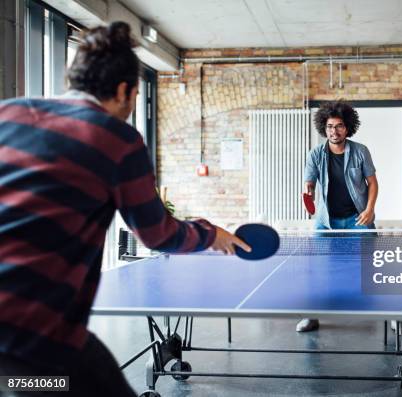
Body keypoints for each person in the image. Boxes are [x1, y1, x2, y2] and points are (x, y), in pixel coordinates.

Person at [0, 22, 249, 396]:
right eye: (134, 98)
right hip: (32, 334)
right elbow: (158, 234)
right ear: (124, 91)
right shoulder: (115, 137)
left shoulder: (9, 113)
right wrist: (213, 234)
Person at [298, 101, 379, 332]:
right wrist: (308, 191)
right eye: (330, 126)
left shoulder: (360, 151)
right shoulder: (315, 154)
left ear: (348, 128)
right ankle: (311, 315)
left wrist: (370, 209)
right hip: (326, 221)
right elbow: (309, 182)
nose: (334, 131)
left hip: (358, 218)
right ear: (324, 128)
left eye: (339, 126)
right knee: (315, 268)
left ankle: (390, 314)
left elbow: (372, 183)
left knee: (372, 266)